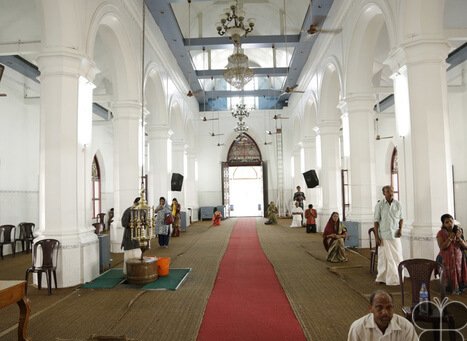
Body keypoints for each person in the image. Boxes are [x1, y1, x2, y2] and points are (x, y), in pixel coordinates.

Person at [347, 290, 419, 341]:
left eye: (389, 307)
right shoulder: (357, 328)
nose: (385, 312)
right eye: (379, 308)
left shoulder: (406, 327)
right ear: (370, 309)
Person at [373, 185, 404, 286]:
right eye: (388, 191)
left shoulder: (398, 204)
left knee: (397, 256)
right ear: (384, 193)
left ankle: (396, 278)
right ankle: (381, 278)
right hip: (384, 236)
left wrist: (400, 229)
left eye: (392, 191)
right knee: (383, 258)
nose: (390, 193)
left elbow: (401, 218)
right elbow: (376, 222)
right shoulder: (380, 205)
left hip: (395, 235)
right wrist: (376, 237)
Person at [436, 213, 467, 294]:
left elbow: (465, 246)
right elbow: (442, 247)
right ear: (443, 224)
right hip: (445, 259)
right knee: (447, 276)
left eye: (451, 221)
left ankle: (459, 288)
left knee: (459, 274)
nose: (450, 223)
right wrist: (451, 237)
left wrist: (459, 238)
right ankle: (448, 290)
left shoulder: (459, 230)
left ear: (453, 221)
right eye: (447, 222)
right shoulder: (441, 233)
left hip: (458, 259)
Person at [121, 198, 142, 274]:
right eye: (138, 204)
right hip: (129, 236)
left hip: (138, 236)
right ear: (135, 203)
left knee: (138, 254)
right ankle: (128, 272)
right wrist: (131, 224)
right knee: (129, 255)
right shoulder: (128, 211)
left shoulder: (141, 211)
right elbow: (123, 223)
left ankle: (138, 272)